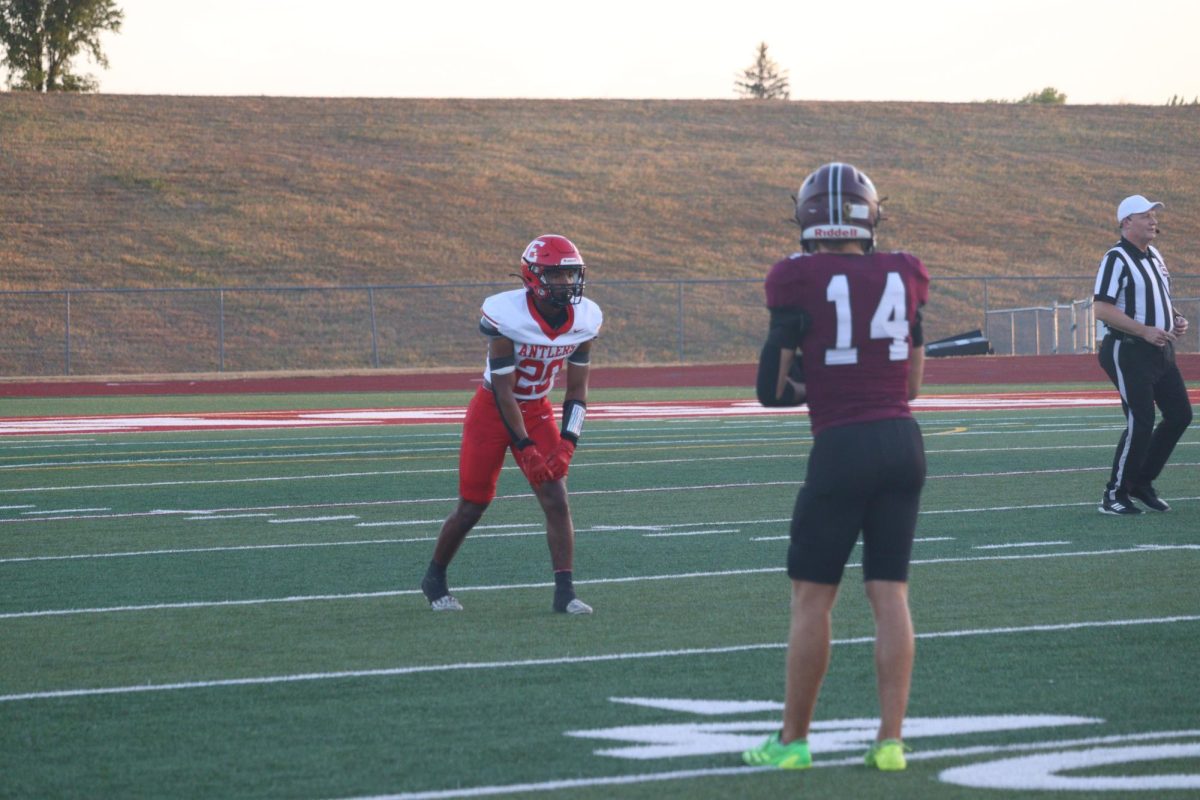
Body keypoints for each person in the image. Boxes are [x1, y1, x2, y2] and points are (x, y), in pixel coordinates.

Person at [742, 162, 929, 772]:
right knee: (890, 593)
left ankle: (793, 742)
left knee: (813, 599)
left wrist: (809, 386)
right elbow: (915, 383)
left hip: (842, 446)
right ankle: (891, 743)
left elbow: (772, 389)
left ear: (807, 216)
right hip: (903, 441)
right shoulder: (905, 271)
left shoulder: (795, 277)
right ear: (869, 215)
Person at [419, 234, 602, 614]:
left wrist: (569, 441)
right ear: (533, 277)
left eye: (570, 275)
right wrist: (526, 448)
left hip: (537, 408)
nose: (566, 285)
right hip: (492, 410)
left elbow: (578, 391)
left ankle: (564, 592)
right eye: (556, 276)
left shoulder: (585, 319)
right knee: (473, 505)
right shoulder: (507, 315)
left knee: (556, 498)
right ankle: (435, 576)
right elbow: (504, 392)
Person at [1093, 195, 1192, 515]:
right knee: (1141, 419)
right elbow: (1102, 309)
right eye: (1145, 215)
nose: (1153, 221)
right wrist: (1144, 329)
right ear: (1126, 223)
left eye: (1154, 215)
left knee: (1180, 415)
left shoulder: (1155, 256)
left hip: (1160, 349)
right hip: (1128, 348)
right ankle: (1114, 492)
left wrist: (1173, 317)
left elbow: (1158, 296)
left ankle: (1141, 482)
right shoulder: (1116, 258)